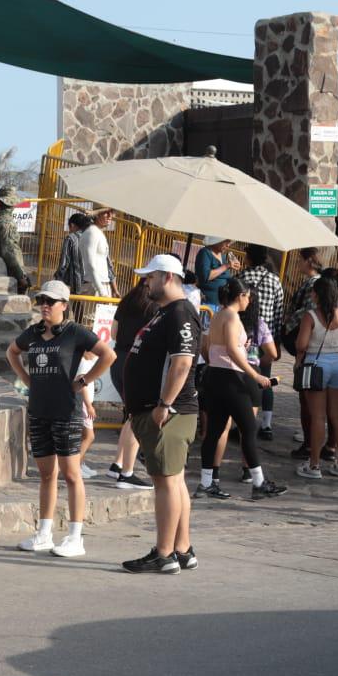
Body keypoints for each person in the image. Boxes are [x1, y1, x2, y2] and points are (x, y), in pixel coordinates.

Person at [7, 280, 116, 557]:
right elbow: (12, 351)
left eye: (51, 301)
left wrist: (85, 380)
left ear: (64, 306)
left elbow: (108, 354)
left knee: (70, 473)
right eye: (42, 300)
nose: (45, 305)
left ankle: (75, 537)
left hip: (66, 410)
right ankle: (43, 534)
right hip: (39, 410)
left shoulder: (75, 332)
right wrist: (26, 379)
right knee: (46, 474)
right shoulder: (32, 333)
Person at [121, 254, 202, 575]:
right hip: (161, 410)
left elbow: (182, 362)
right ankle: (182, 548)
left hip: (170, 412)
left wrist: (165, 404)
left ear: (168, 277)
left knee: (166, 483)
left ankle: (164, 553)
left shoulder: (180, 312)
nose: (146, 282)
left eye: (151, 277)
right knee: (174, 480)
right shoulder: (167, 312)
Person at [198, 279, 285, 500]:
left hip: (215, 376)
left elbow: (208, 346)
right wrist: (255, 374)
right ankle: (258, 482)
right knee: (248, 428)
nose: (249, 301)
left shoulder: (217, 314)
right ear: (241, 296)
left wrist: (236, 352)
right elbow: (231, 349)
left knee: (214, 431)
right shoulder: (232, 316)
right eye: (248, 297)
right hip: (231, 378)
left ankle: (207, 482)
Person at [294, 276, 338, 480]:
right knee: (337, 417)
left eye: (313, 292)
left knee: (318, 417)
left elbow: (302, 345)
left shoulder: (310, 316)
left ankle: (314, 465)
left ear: (318, 295)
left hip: (316, 364)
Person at [104, 278, 155, 491]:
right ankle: (127, 473)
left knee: (132, 415)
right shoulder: (154, 307)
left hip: (118, 359)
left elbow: (113, 333)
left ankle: (118, 464)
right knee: (137, 417)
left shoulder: (125, 301)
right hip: (137, 362)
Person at [236, 245, 285, 441]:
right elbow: (279, 310)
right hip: (266, 336)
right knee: (265, 379)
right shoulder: (274, 280)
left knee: (241, 376)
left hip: (243, 331)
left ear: (248, 257)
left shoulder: (242, 276)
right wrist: (277, 340)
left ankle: (238, 421)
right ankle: (266, 424)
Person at [77, 208, 116, 297]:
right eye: (105, 213)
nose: (110, 216)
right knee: (91, 311)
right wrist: (101, 291)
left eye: (111, 212)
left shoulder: (97, 232)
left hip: (101, 284)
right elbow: (90, 264)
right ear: (97, 214)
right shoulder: (92, 232)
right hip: (94, 286)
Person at [194, 237, 238, 307]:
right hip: (207, 302)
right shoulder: (205, 252)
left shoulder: (222, 255)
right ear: (217, 240)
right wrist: (226, 266)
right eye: (226, 242)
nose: (228, 245)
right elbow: (205, 276)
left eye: (229, 242)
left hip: (221, 303)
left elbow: (224, 276)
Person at [52, 214, 92, 292]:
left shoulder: (71, 238)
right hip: (92, 282)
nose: (69, 230)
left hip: (76, 283)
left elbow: (64, 263)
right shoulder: (91, 237)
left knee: (74, 302)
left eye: (69, 227)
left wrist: (58, 278)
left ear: (72, 225)